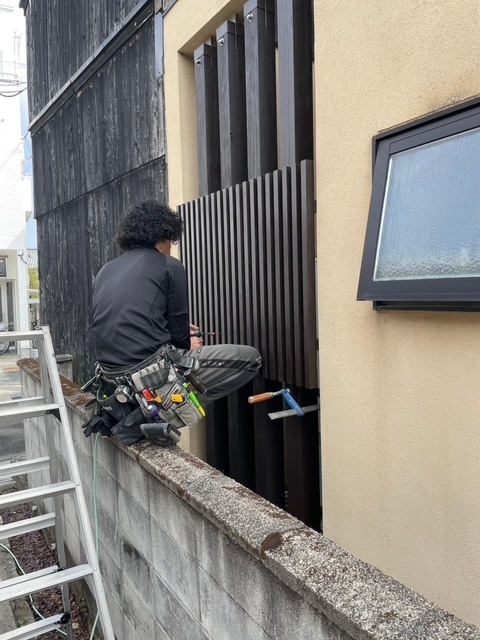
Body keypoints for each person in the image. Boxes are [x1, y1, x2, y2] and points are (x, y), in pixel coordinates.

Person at [85, 200, 261, 446]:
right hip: (147, 374)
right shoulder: (169, 265)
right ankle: (151, 417)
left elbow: (128, 324)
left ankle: (137, 412)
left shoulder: (106, 270)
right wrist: (191, 344)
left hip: (110, 380)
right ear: (166, 236)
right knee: (251, 360)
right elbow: (179, 340)